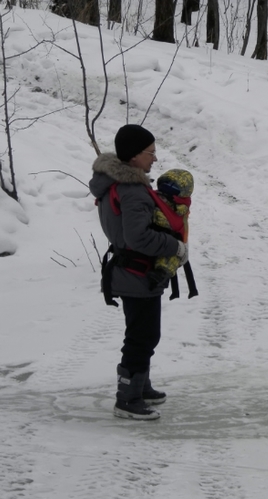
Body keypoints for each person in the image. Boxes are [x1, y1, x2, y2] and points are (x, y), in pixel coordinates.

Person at [89, 124, 191, 420]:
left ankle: (140, 386)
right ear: (134, 156)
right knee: (141, 337)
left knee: (145, 334)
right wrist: (175, 247)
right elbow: (138, 238)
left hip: (132, 270)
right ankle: (128, 398)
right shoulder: (131, 190)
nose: (155, 159)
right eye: (151, 152)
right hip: (135, 271)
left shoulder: (117, 184)